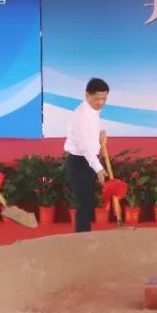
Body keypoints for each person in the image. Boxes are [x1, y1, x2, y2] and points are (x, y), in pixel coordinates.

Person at [63, 78, 109, 232]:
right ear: (87, 95)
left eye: (104, 99)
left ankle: (85, 235)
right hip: (79, 162)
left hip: (88, 161)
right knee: (84, 202)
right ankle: (82, 238)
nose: (101, 102)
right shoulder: (80, 116)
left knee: (88, 201)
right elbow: (85, 148)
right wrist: (98, 168)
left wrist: (100, 133)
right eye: (97, 99)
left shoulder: (93, 111)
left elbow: (93, 131)